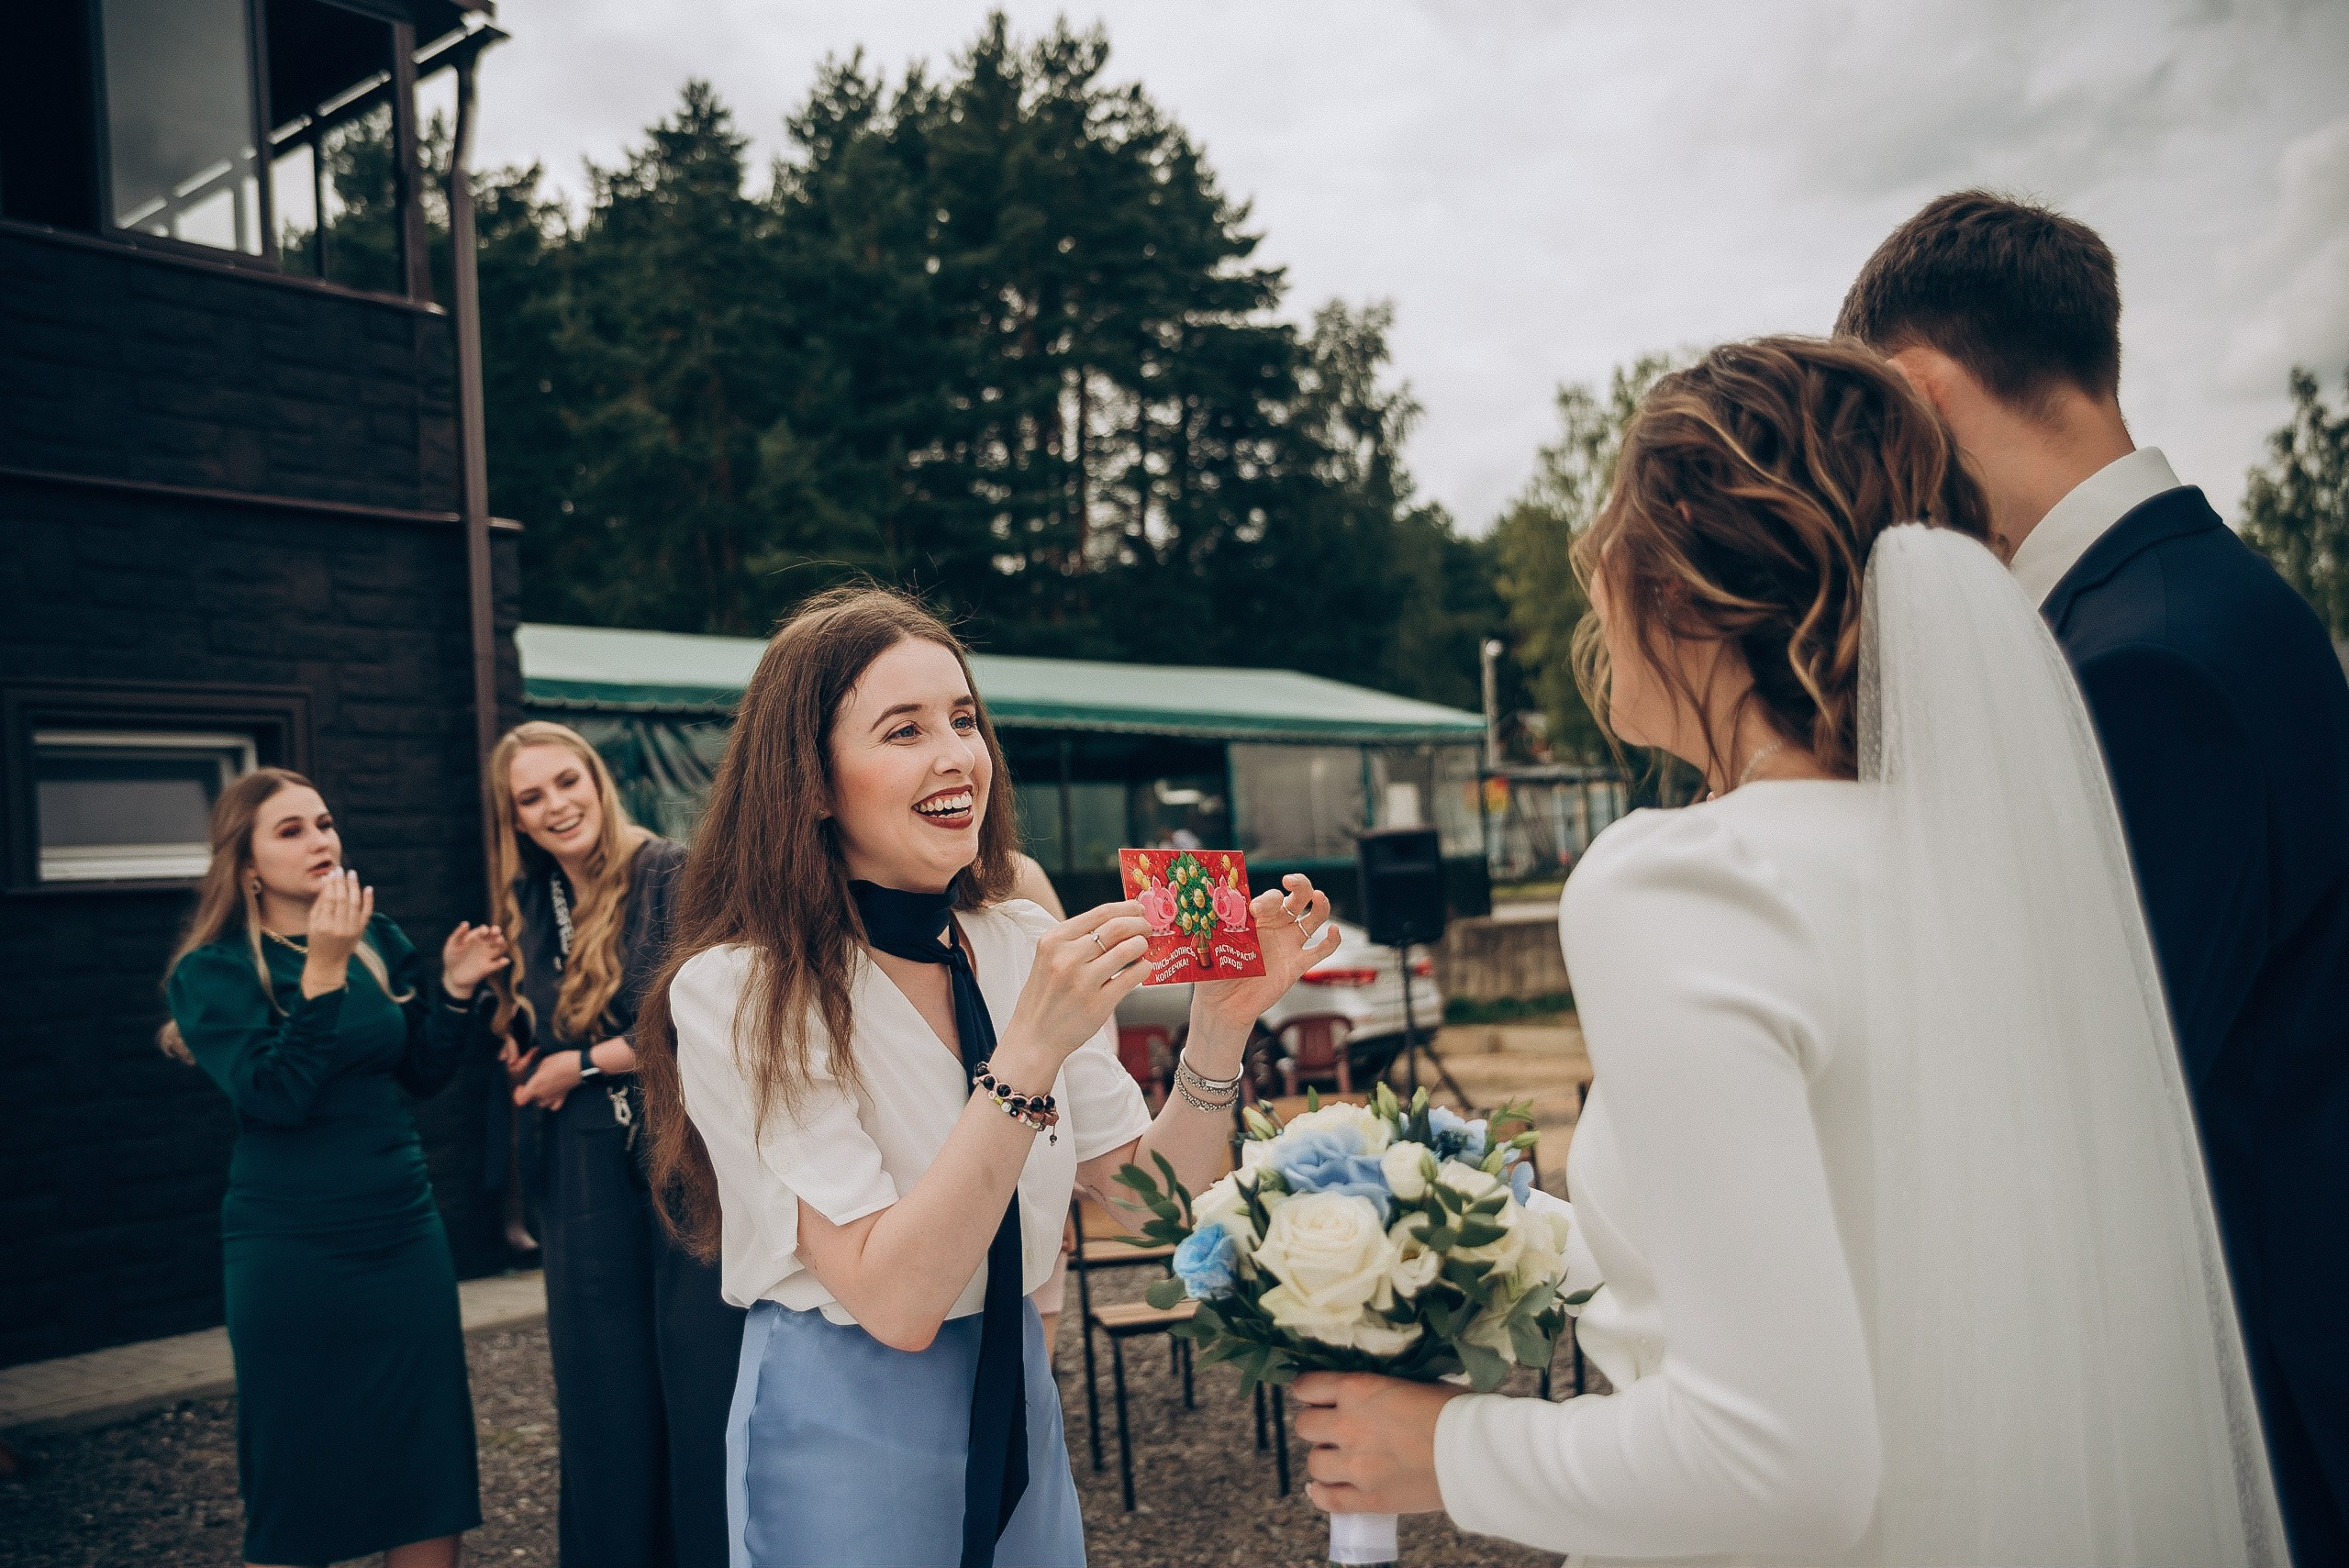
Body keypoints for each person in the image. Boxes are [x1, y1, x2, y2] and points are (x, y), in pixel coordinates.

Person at [1289, 339, 2286, 1564]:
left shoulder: (1687, 882)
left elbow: (1774, 1464)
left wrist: (1441, 1449)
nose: (1596, 578)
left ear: (1685, 592)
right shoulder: (1999, 868)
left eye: (1611, 536)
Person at [1838, 191, 2349, 1567]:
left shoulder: (2143, 666)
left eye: (1878, 425)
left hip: (2273, 1390)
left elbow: (2099, 1095)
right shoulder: (2193, 600)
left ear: (1922, 391)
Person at [632, 585, 1340, 1568]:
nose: (956, 752)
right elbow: (896, 1299)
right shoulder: (740, 989)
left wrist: (1219, 1025)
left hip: (1018, 1390)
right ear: (811, 782)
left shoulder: (1020, 942)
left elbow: (1155, 1204)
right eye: (904, 728)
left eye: (964, 718)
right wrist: (1025, 1057)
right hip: (848, 1414)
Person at [161, 768, 506, 1568]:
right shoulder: (210, 973)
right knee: (299, 1467)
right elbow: (275, 1096)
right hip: (292, 1246)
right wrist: (321, 971)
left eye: (324, 822)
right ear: (245, 865)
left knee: (426, 1455)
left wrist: (452, 993)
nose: (321, 839)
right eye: (291, 830)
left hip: (403, 1230)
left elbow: (417, 1072)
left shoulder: (375, 939)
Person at [485, 721, 746, 1568]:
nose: (557, 804)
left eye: (568, 781)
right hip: (583, 1165)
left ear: (597, 781)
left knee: (701, 1388)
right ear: (514, 819)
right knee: (605, 1401)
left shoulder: (670, 871)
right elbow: (542, 1026)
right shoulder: (528, 905)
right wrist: (516, 1038)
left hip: (678, 1151)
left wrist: (579, 1063)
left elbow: (709, 1012)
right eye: (532, 797)